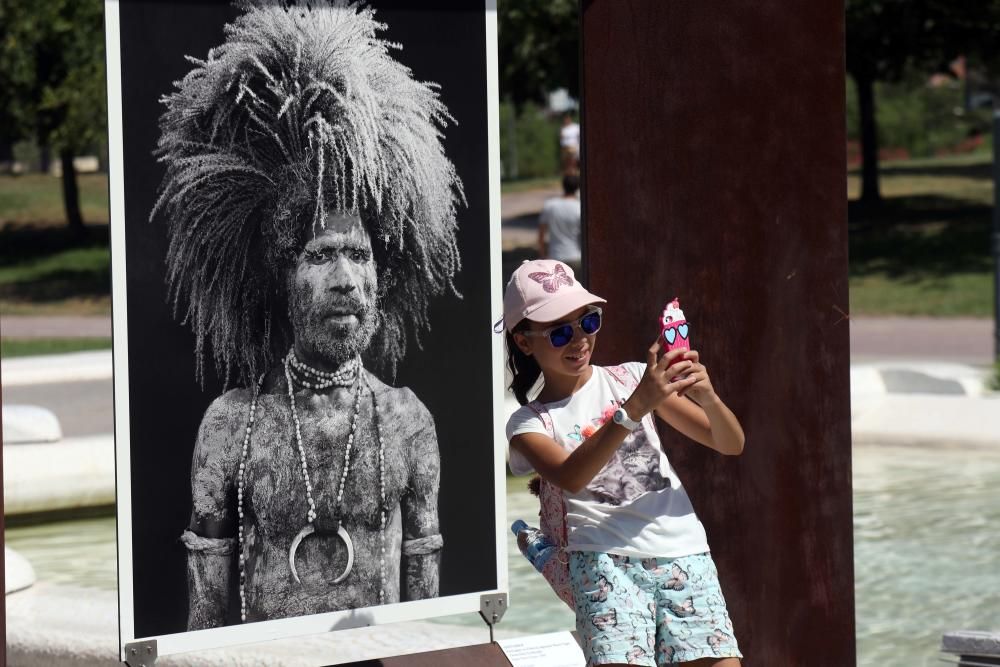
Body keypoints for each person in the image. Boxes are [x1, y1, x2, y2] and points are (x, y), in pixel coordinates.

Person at [150, 1, 463, 628]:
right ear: (283, 275)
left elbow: (424, 613)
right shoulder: (230, 426)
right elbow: (204, 619)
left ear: (383, 272)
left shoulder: (406, 422)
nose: (346, 280)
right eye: (321, 255)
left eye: (358, 255)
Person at [501, 259, 745, 666]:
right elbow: (572, 476)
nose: (578, 340)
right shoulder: (528, 422)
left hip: (686, 552)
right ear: (525, 342)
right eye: (559, 332)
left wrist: (709, 398)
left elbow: (730, 443)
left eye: (587, 323)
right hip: (603, 564)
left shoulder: (632, 377)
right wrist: (633, 409)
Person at [538, 172, 582, 273]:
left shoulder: (550, 205)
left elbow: (541, 234)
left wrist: (542, 254)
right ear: (577, 188)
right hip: (576, 256)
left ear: (563, 186)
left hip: (555, 257)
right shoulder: (579, 207)